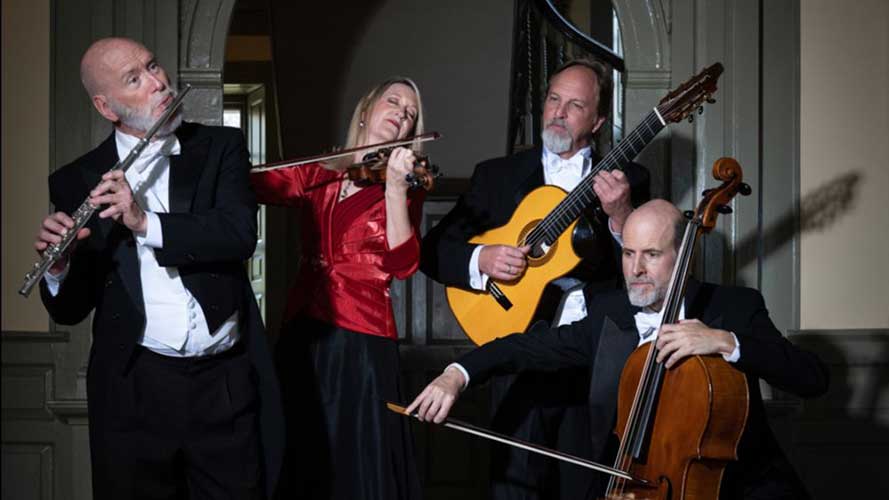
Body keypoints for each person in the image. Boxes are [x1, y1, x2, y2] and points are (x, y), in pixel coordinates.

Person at [409, 199, 830, 499]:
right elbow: (527, 347)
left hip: (738, 484)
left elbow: (812, 377)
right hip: (630, 482)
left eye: (651, 254)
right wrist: (456, 375)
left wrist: (727, 342)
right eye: (628, 253)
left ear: (684, 255)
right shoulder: (609, 314)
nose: (636, 269)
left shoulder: (734, 307)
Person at [34, 37, 284, 499]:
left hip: (223, 383)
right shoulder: (76, 180)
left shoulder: (221, 146)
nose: (158, 83)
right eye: (136, 79)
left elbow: (237, 235)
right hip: (134, 389)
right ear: (106, 106)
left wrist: (144, 221)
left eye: (153, 67)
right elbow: (71, 309)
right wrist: (59, 268)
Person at [420, 58, 650, 499]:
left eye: (575, 105)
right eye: (553, 99)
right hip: (515, 344)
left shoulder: (631, 180)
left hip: (594, 352)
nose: (559, 112)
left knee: (586, 484)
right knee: (515, 486)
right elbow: (433, 252)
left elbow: (646, 273)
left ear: (598, 121)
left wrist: (620, 216)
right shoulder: (497, 175)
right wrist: (481, 258)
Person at [249, 77, 426, 500]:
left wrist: (397, 190)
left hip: (361, 340)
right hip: (304, 331)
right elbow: (255, 184)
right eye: (394, 102)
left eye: (410, 114)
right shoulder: (322, 171)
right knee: (302, 454)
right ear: (365, 110)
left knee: (358, 462)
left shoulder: (406, 184)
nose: (401, 113)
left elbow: (404, 265)